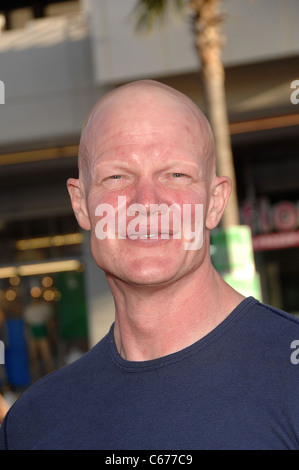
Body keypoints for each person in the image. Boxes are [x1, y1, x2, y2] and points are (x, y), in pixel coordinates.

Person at [1, 80, 299, 450]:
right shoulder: (34, 422)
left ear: (214, 202)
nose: (147, 201)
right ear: (81, 204)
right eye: (117, 176)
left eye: (176, 175)